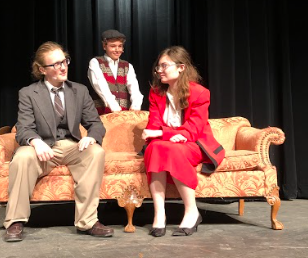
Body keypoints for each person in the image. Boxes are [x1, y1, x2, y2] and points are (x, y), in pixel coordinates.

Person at [3, 41, 114, 242]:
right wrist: (35, 142)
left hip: (71, 146)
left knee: (96, 152)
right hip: (42, 147)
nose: (63, 67)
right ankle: (15, 221)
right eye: (55, 64)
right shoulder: (28, 93)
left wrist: (90, 137)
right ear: (42, 70)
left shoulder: (79, 91)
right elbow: (24, 128)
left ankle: (88, 221)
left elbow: (96, 124)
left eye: (64, 61)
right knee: (22, 157)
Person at [142, 46, 225, 237]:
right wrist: (166, 135)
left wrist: (164, 133)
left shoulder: (200, 93)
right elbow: (153, 126)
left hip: (194, 144)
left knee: (173, 149)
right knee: (155, 148)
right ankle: (159, 214)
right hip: (168, 142)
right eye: (158, 67)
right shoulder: (156, 93)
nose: (159, 70)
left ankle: (191, 211)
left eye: (164, 66)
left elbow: (193, 130)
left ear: (181, 67)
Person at [87, 29, 143, 114]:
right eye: (113, 46)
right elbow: (100, 86)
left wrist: (135, 106)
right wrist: (115, 108)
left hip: (123, 116)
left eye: (120, 46)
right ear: (104, 46)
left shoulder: (127, 66)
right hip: (101, 114)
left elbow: (134, 89)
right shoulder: (95, 62)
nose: (117, 50)